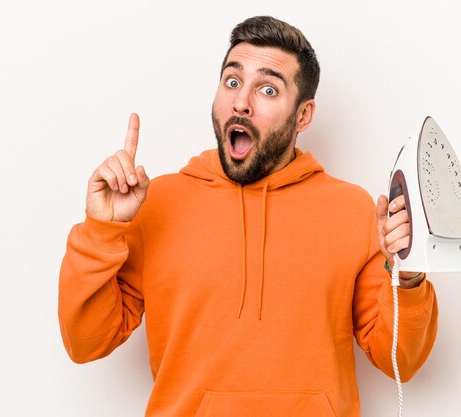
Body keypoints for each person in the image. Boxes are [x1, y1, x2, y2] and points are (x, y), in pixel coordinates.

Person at [58, 15, 437, 417]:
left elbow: (402, 360)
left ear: (303, 116)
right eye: (232, 81)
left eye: (268, 89)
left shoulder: (352, 209)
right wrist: (102, 228)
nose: (241, 101)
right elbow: (85, 343)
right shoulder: (158, 202)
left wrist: (408, 274)